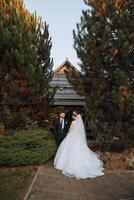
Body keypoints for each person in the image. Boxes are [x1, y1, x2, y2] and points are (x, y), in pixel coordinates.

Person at [54, 111, 104, 179]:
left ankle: (66, 164)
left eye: (72, 115)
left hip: (71, 137)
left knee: (67, 150)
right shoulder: (79, 123)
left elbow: (70, 131)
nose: (71, 116)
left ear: (74, 116)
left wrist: (68, 134)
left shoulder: (73, 122)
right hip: (78, 138)